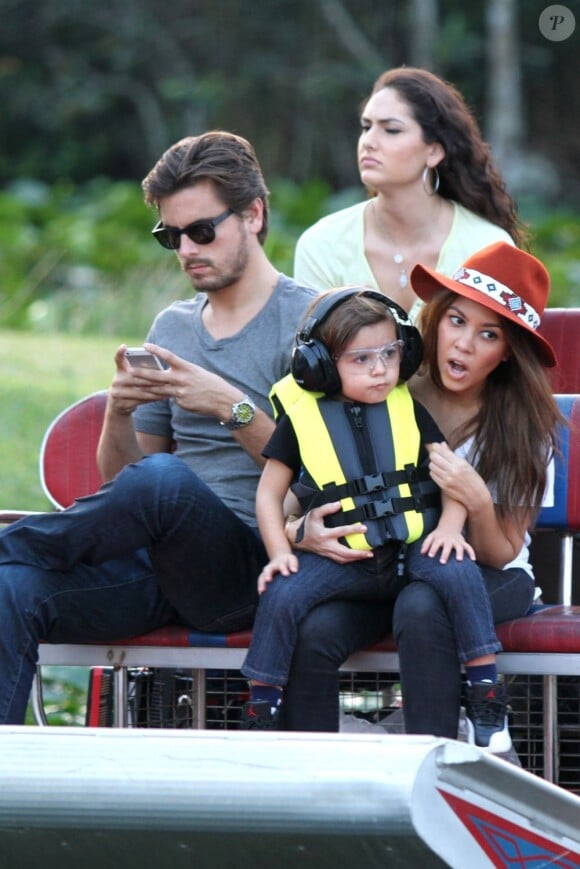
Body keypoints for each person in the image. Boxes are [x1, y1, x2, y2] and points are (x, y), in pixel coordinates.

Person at [0, 130, 317, 725]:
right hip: (155, 567)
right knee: (11, 591)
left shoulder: (311, 322)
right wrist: (119, 411)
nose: (186, 249)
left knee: (168, 479)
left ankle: (10, 544)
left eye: (202, 231)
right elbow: (126, 482)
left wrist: (232, 407)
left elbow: (317, 485)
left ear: (253, 214)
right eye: (170, 236)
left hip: (251, 567)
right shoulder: (170, 327)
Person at [282, 242, 563, 753]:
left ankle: (436, 768)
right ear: (433, 321)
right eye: (456, 321)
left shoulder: (523, 427)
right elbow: (294, 495)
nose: (464, 344)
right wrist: (298, 531)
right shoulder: (383, 389)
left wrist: (475, 499)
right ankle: (313, 776)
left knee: (420, 605)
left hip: (491, 576)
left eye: (488, 335)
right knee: (317, 627)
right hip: (390, 566)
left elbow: (503, 550)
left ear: (507, 352)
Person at [239, 286, 476, 730]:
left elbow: (453, 479)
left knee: (428, 605)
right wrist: (281, 551)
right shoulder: (305, 422)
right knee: (302, 620)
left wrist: (448, 528)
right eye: (361, 358)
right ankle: (278, 725)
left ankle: (469, 713)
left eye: (389, 354)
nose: (381, 369)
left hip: (412, 567)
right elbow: (270, 495)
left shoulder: (408, 409)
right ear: (321, 367)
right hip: (349, 573)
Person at [294, 66, 526, 319]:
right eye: (365, 127)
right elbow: (314, 351)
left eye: (391, 130)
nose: (369, 141)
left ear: (434, 151)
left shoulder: (487, 246)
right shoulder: (322, 244)